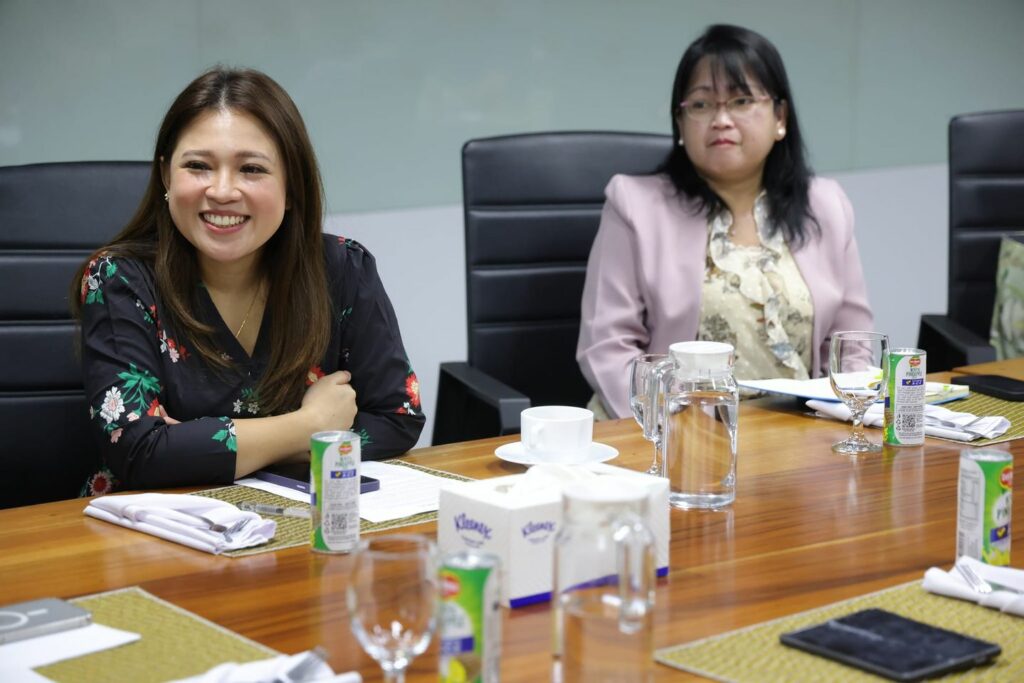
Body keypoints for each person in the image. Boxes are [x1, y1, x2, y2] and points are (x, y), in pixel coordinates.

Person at [71, 67, 424, 495]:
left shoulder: (342, 268)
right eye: (198, 166)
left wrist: (196, 445)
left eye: (251, 169)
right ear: (166, 176)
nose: (222, 191)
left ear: (292, 186)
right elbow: (138, 452)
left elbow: (396, 418)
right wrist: (310, 425)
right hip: (153, 527)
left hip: (299, 518)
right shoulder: (119, 279)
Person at [577, 24, 873, 419]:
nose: (721, 119)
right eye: (701, 104)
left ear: (780, 117)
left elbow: (853, 345)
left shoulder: (825, 205)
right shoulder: (634, 205)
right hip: (664, 432)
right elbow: (607, 348)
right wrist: (675, 431)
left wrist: (852, 418)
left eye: (741, 100)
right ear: (680, 123)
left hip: (798, 435)